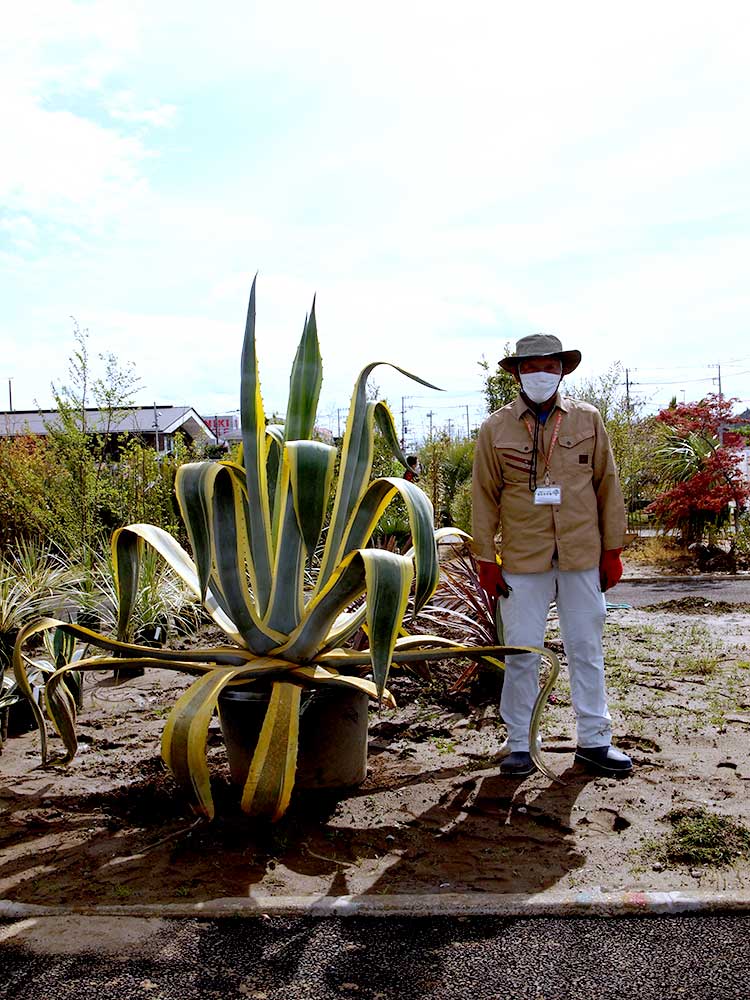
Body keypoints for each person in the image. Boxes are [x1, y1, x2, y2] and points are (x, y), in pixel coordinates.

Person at [471, 333, 631, 778]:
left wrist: (613, 550)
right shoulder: (495, 428)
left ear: (562, 370)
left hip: (582, 555)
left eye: (549, 366)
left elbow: (607, 486)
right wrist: (486, 560)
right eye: (530, 366)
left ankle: (596, 742)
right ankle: (519, 743)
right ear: (517, 373)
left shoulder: (588, 420)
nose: (540, 374)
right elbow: (483, 499)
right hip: (523, 559)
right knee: (522, 652)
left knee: (586, 647)